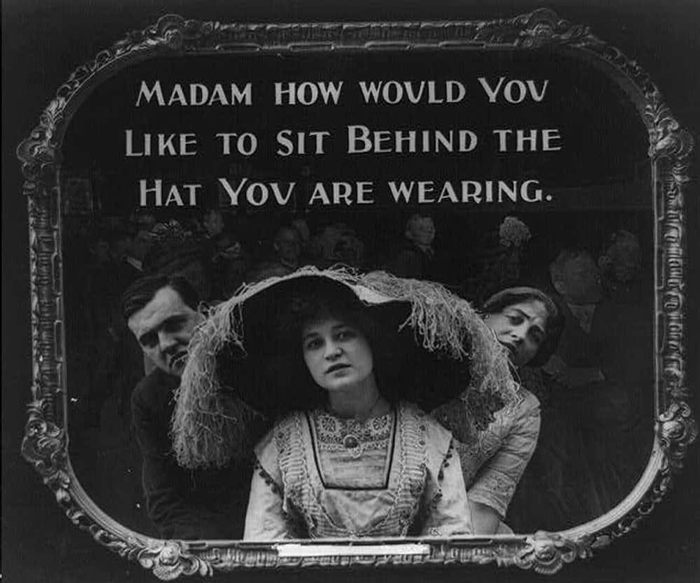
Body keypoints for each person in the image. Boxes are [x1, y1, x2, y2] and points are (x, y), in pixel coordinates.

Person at [171, 268, 519, 540]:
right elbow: (263, 543)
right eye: (314, 343)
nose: (331, 352)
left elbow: (452, 540)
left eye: (343, 335)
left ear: (372, 343)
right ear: (304, 360)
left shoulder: (429, 438)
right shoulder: (283, 443)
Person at [123, 273, 253, 539]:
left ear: (204, 313)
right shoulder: (149, 399)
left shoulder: (253, 361)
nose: (166, 345)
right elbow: (165, 499)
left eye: (174, 324)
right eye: (149, 340)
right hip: (213, 539)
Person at [432, 286, 562, 534]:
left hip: (450, 527)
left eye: (535, 337)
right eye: (515, 319)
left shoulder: (524, 408)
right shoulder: (431, 356)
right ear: (485, 314)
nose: (520, 335)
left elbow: (485, 502)